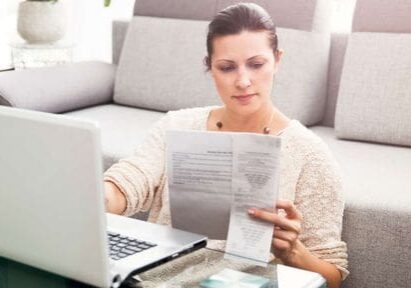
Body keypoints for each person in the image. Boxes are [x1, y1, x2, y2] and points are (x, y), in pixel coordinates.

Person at [104, 3, 348, 287]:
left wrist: (293, 252)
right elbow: (132, 180)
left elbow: (332, 277)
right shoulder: (176, 125)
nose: (243, 81)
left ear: (277, 60)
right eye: (227, 67)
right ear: (210, 66)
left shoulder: (310, 154)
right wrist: (99, 197)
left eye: (256, 65)